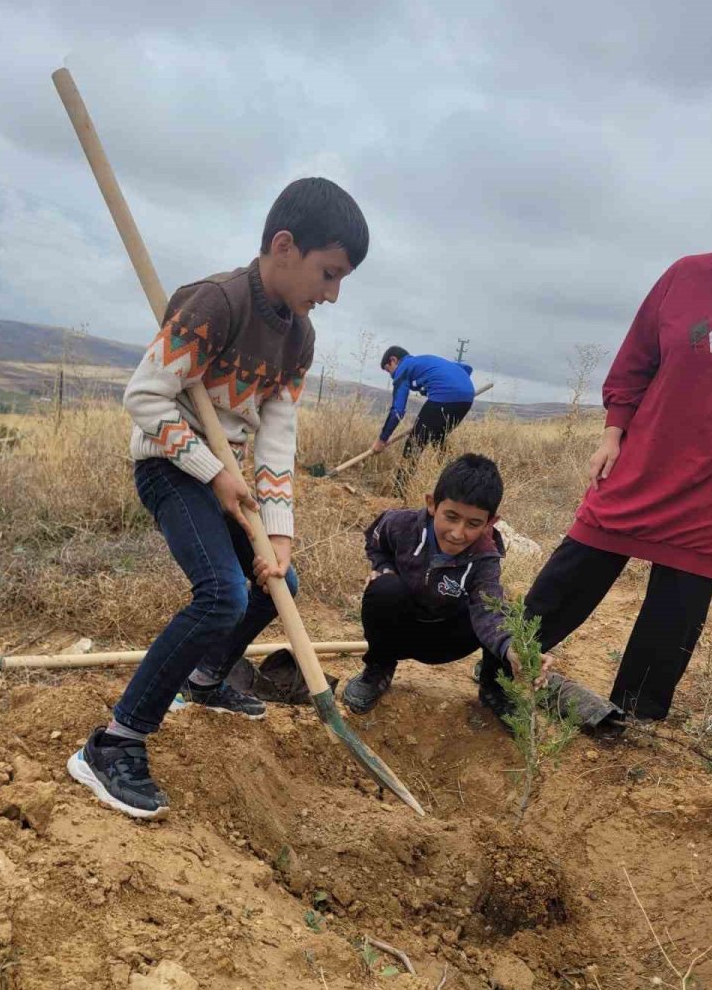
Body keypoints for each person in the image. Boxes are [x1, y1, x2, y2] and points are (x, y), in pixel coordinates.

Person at [67, 177, 370, 820]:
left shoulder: (299, 337)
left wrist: (280, 531)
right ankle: (114, 743)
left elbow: (278, 437)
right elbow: (145, 397)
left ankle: (206, 680)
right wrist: (211, 469)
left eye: (342, 278)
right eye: (329, 272)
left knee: (273, 583)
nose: (333, 293)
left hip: (226, 471)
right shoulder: (214, 303)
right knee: (221, 594)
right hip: (171, 464)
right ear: (284, 246)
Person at [480, 251, 712, 723]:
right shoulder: (687, 275)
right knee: (571, 575)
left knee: (679, 605)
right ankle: (500, 671)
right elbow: (637, 359)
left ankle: (636, 717)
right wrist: (613, 431)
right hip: (645, 458)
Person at [343, 453, 552, 715]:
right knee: (384, 589)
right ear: (432, 504)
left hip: (447, 641)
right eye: (451, 517)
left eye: (474, 523)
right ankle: (378, 669)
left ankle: (494, 688)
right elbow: (376, 544)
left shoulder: (485, 557)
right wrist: (383, 568)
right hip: (400, 631)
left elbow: (488, 610)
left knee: (503, 612)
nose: (457, 532)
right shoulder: (399, 524)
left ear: (490, 522)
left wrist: (512, 649)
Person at [373, 347, 476, 495]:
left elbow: (397, 410)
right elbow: (467, 369)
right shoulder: (423, 361)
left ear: (393, 360)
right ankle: (460, 485)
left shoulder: (404, 369)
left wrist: (382, 439)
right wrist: (460, 387)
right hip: (466, 399)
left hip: (445, 396)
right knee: (438, 438)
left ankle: (397, 494)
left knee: (414, 444)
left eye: (388, 370)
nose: (391, 376)